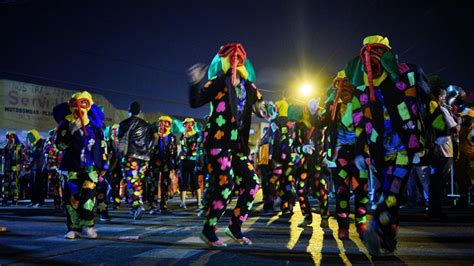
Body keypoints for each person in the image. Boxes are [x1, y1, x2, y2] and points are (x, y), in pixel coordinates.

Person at [344, 35, 429, 255]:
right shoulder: (364, 88)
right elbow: (358, 121)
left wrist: (427, 138)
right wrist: (360, 150)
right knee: (389, 193)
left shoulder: (404, 75)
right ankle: (383, 233)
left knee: (391, 192)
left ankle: (381, 232)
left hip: (393, 146)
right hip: (388, 149)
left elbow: (423, 105)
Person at [188, 43, 272, 247]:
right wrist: (195, 82)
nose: (235, 59)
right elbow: (196, 102)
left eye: (239, 56)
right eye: (231, 56)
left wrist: (267, 110)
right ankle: (209, 230)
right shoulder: (217, 82)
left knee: (252, 183)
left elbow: (261, 108)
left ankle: (235, 227)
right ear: (224, 61)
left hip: (238, 145)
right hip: (217, 141)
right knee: (226, 184)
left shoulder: (250, 87)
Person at [320, 71, 370, 239]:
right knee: (342, 190)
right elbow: (320, 123)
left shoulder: (362, 103)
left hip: (359, 153)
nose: (344, 96)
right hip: (339, 153)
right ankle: (343, 226)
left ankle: (361, 222)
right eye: (342, 93)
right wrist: (314, 114)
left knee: (361, 189)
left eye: (347, 92)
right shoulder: (332, 106)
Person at [53, 91, 108, 239]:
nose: (79, 108)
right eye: (75, 104)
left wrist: (104, 166)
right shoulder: (65, 124)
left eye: (83, 103)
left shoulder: (95, 127)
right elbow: (60, 146)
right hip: (71, 167)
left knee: (89, 196)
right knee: (72, 197)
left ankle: (88, 224)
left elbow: (102, 146)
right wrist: (71, 130)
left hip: (91, 167)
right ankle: (73, 227)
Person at [426, 84, 460, 218]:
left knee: (435, 182)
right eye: (444, 96)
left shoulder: (431, 109)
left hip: (435, 150)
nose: (444, 99)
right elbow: (454, 129)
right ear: (439, 97)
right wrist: (458, 121)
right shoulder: (441, 110)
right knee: (439, 182)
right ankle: (436, 211)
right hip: (444, 150)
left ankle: (433, 209)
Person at [118, 101, 156, 220]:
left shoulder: (123, 123)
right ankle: (137, 204)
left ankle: (136, 206)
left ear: (128, 111)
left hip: (130, 157)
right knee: (137, 182)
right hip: (144, 158)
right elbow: (155, 137)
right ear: (139, 112)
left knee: (131, 182)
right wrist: (149, 150)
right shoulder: (146, 124)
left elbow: (120, 140)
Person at [147, 115, 178, 214]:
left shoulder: (171, 136)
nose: (163, 125)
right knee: (153, 183)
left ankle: (163, 205)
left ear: (169, 124)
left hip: (166, 163)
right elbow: (149, 149)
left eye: (166, 122)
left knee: (165, 183)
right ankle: (153, 205)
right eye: (161, 122)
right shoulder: (154, 135)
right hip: (154, 162)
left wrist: (173, 166)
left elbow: (174, 152)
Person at [178, 117, 202, 209]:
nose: (188, 125)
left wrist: (199, 160)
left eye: (190, 124)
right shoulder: (182, 135)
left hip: (193, 161)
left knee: (195, 181)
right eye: (186, 124)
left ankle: (199, 202)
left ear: (193, 125)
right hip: (184, 161)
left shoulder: (196, 135)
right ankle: (183, 202)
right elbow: (182, 148)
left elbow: (198, 149)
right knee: (183, 182)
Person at [1, 131, 25, 206]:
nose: (10, 138)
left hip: (15, 168)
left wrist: (20, 167)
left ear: (14, 136)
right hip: (6, 168)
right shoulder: (5, 145)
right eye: (8, 136)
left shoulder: (18, 146)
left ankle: (15, 199)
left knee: (14, 184)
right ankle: (5, 198)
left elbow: (22, 157)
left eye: (11, 136)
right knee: (6, 183)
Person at [25, 129, 46, 207]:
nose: (30, 138)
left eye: (31, 136)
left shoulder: (41, 142)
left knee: (38, 184)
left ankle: (40, 201)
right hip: (33, 166)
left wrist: (29, 153)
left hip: (39, 166)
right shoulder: (33, 144)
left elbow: (38, 154)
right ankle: (33, 201)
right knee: (31, 184)